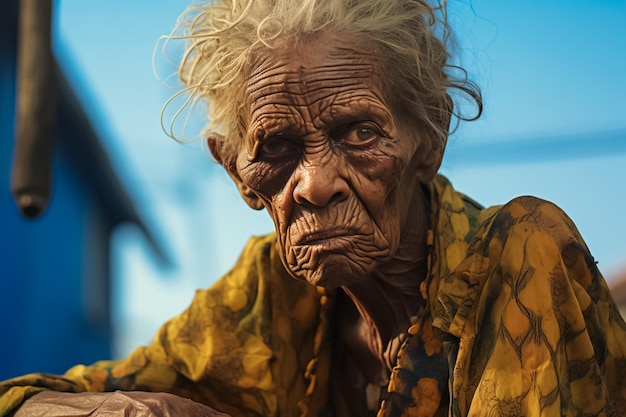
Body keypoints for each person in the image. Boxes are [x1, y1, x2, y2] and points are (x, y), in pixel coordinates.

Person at [2, 0, 626, 416]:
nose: (313, 184)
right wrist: (137, 409)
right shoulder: (268, 291)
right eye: (276, 146)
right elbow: (25, 400)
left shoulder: (520, 251)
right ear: (238, 173)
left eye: (359, 133)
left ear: (427, 141)